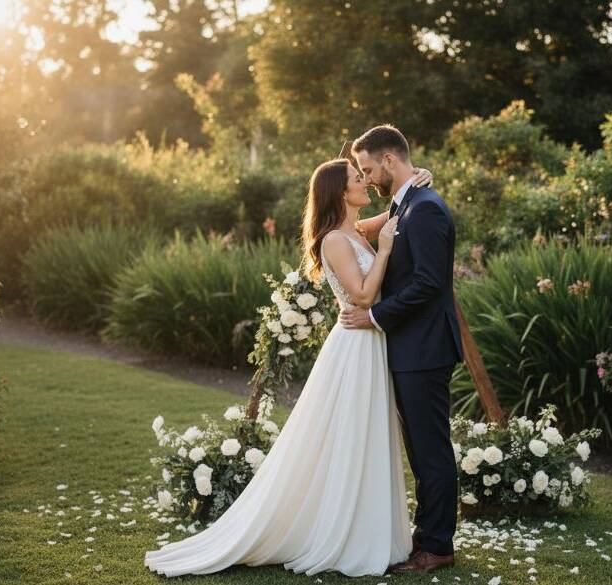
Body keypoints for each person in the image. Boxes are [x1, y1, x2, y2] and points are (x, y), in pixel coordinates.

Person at [143, 158, 434, 577]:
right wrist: (386, 249)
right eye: (358, 179)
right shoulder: (335, 240)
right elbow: (365, 296)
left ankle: (368, 529)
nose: (366, 183)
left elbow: (394, 212)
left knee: (367, 435)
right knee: (349, 435)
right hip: (355, 346)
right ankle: (342, 533)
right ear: (339, 192)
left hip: (370, 345)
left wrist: (418, 179)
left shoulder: (354, 230)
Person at [340, 124, 464, 573]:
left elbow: (430, 283)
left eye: (370, 168)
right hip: (410, 348)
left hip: (425, 349)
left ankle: (437, 545)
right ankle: (426, 537)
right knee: (421, 448)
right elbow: (355, 231)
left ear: (390, 160)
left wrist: (373, 316)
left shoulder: (426, 208)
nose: (367, 177)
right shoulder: (407, 203)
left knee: (430, 449)